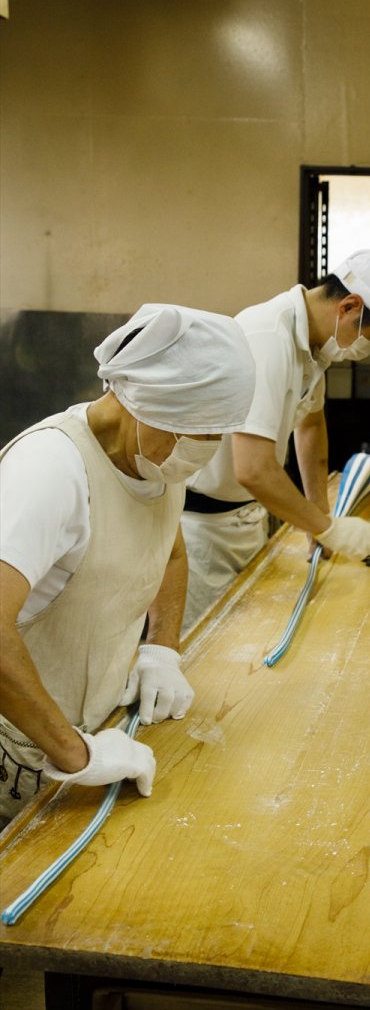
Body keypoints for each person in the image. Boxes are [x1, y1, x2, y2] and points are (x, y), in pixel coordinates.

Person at [0, 304, 256, 824]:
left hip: (89, 730)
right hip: (21, 751)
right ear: (147, 403)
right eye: (199, 434)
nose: (205, 452)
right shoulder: (52, 470)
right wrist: (78, 754)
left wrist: (161, 650)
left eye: (215, 436)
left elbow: (171, 550)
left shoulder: (153, 460)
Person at [181, 248, 370, 631]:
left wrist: (321, 513)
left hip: (246, 517)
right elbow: (253, 469)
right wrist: (324, 527)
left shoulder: (314, 348)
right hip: (199, 531)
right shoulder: (268, 339)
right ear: (349, 306)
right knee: (204, 653)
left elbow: (311, 424)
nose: (365, 351)